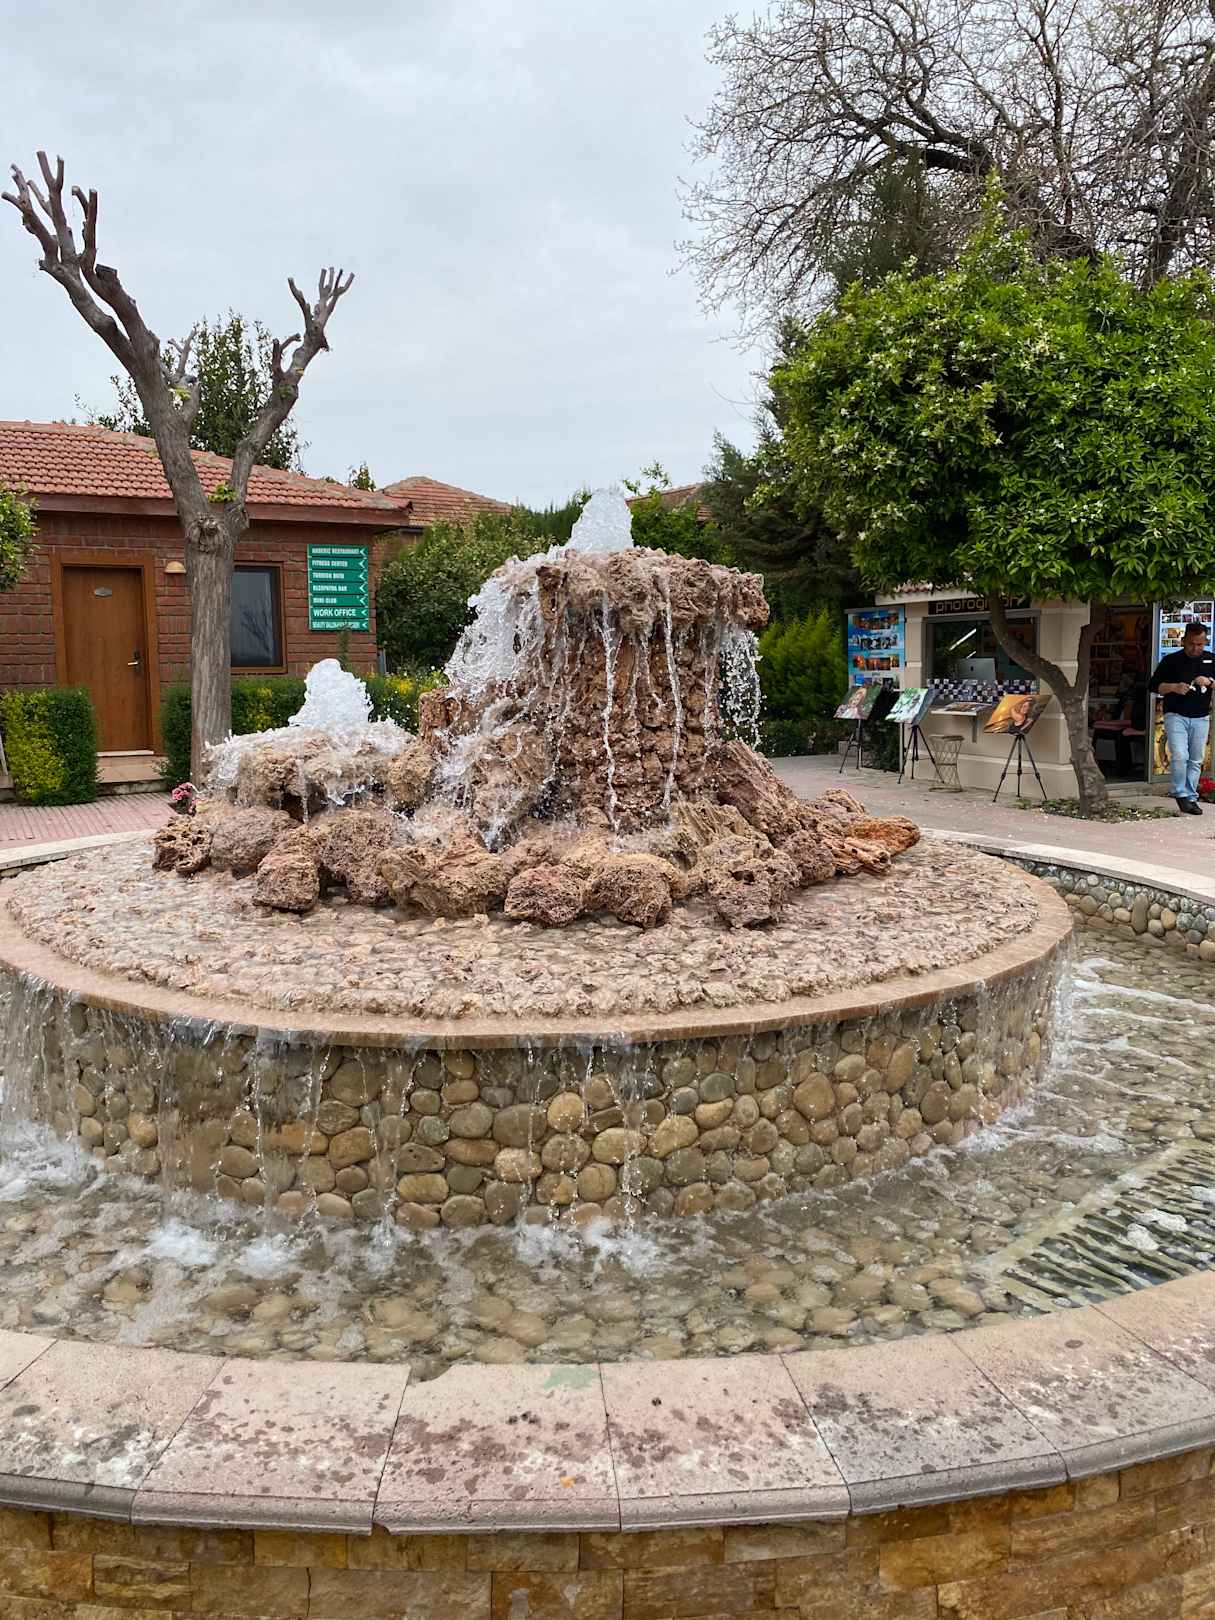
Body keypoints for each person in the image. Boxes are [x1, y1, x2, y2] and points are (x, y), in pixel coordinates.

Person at [1149, 621, 1215, 814]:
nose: (1196, 648)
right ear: (1183, 640)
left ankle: (1191, 797)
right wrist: (1173, 687)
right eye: (1192, 644)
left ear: (1205, 642)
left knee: (1196, 759)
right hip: (1175, 714)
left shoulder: (1211, 659)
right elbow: (1153, 686)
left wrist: (1210, 682)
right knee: (1179, 755)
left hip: (1201, 716)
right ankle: (1180, 793)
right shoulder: (1171, 661)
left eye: (1200, 644)